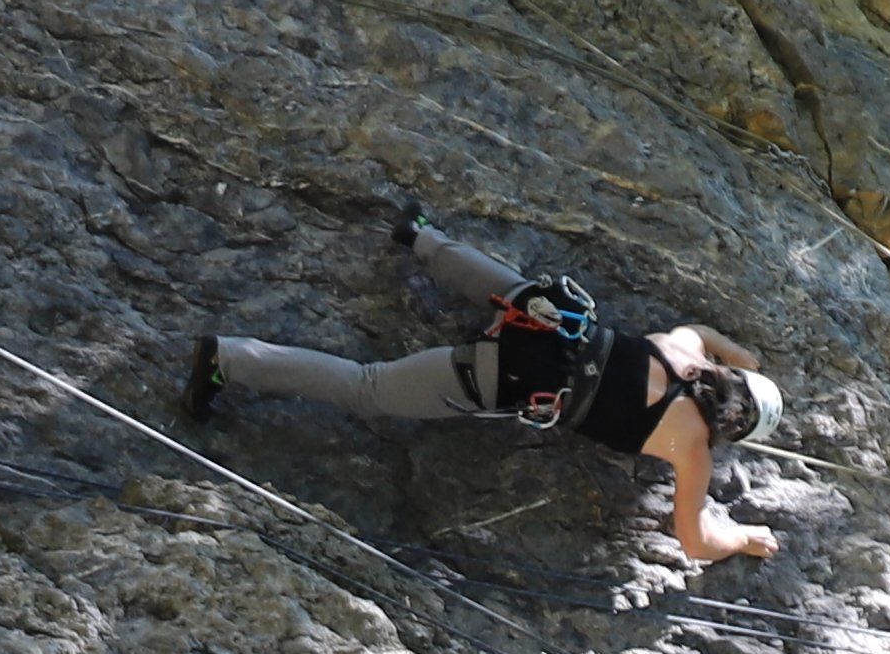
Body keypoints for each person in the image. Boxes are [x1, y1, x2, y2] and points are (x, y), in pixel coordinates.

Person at [180, 222, 785, 563]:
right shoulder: (695, 450)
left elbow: (706, 334)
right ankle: (229, 359)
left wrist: (740, 354)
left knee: (522, 293)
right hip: (505, 378)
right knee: (368, 388)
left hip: (537, 326)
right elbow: (696, 541)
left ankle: (419, 235)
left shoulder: (681, 348)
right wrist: (740, 536)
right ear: (732, 430)